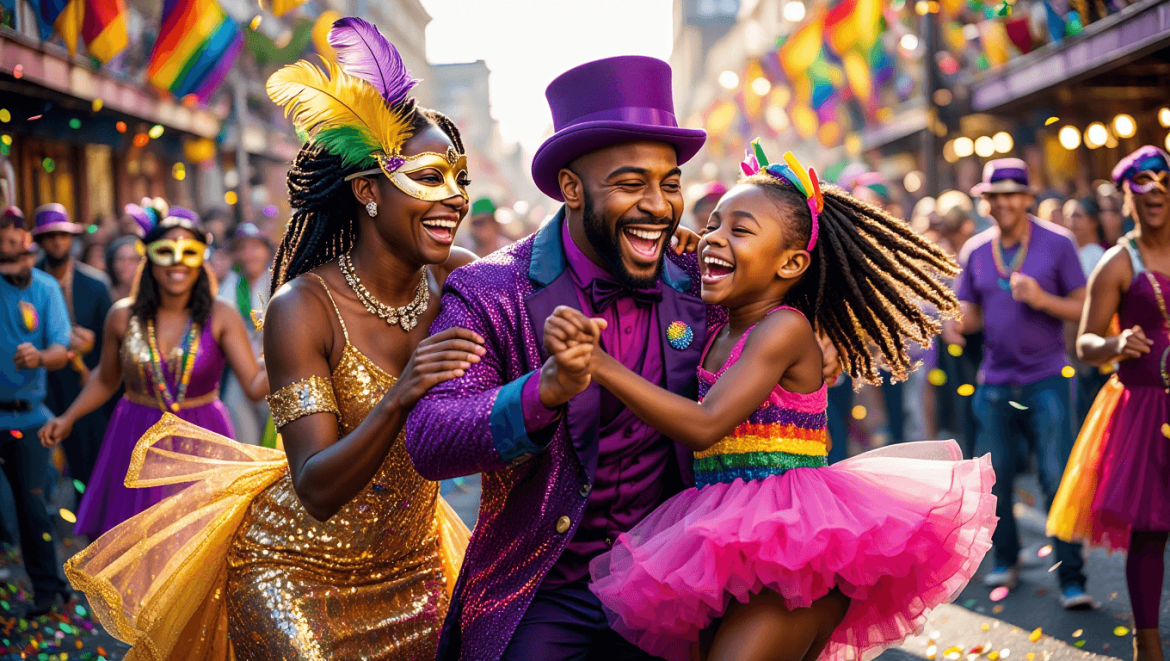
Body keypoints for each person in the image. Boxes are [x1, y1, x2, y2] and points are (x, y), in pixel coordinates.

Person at [62, 18, 476, 659]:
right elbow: (314, 485)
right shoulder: (301, 308)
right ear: (367, 191)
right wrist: (405, 392)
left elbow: (542, 282)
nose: (455, 197)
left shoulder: (459, 278)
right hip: (296, 574)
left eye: (460, 177)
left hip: (419, 566)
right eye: (428, 176)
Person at [406, 57, 839, 661]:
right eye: (632, 184)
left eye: (669, 184)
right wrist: (543, 390)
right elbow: (430, 436)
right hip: (545, 586)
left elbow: (778, 294)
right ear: (572, 188)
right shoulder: (491, 292)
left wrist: (822, 335)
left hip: (680, 581)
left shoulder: (700, 274)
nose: (660, 207)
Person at [549, 141, 994, 661]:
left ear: (792, 263)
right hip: (721, 539)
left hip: (796, 551)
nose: (715, 238)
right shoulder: (714, 323)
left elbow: (704, 423)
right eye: (713, 224)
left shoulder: (782, 328)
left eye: (740, 230)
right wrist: (694, 251)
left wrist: (601, 365)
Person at [38, 205, 268, 538]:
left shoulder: (221, 315)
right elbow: (105, 378)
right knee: (139, 544)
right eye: (166, 251)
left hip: (203, 437)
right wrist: (68, 418)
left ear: (201, 259)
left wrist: (293, 353)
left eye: (188, 251)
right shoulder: (122, 316)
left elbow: (254, 384)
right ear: (150, 258)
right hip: (136, 436)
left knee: (198, 543)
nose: (177, 262)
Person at [941, 158, 1092, 609]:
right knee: (996, 478)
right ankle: (1005, 559)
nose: (1003, 203)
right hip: (995, 381)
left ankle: (1072, 577)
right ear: (984, 202)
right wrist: (955, 323)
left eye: (1012, 193)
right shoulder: (974, 251)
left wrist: (1043, 299)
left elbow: (1085, 307)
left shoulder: (1058, 244)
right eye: (994, 195)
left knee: (1054, 475)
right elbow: (970, 313)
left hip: (1047, 379)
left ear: (1028, 198)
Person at [1048, 146, 1170, 661]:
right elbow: (1084, 344)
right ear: (1126, 198)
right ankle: (1148, 645)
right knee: (1150, 530)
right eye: (1143, 183)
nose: (1157, 190)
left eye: (1165, 180)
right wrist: (1117, 345)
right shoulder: (1118, 262)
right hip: (1144, 409)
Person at [0, 206, 73, 616]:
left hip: (30, 418)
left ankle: (49, 588)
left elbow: (62, 351)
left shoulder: (45, 289)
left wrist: (41, 357)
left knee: (31, 507)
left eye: (20, 253)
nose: (16, 263)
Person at [33, 204, 114, 486]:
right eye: (50, 235)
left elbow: (112, 345)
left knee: (88, 467)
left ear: (72, 238)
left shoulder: (96, 284)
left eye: (63, 235)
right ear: (40, 241)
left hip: (86, 387)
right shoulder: (28, 284)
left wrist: (92, 347)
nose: (57, 241)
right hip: (41, 388)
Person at [217, 222, 274, 446]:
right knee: (243, 438)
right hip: (241, 371)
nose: (250, 255)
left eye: (255, 247)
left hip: (274, 370)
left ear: (266, 251)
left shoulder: (278, 279)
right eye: (243, 248)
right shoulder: (231, 285)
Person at [1066, 198, 1107, 276]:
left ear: (1093, 221)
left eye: (1077, 216)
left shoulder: (1099, 256)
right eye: (1067, 216)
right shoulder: (1068, 253)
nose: (1071, 221)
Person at [104, 234, 143, 302]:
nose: (125, 264)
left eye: (132, 259)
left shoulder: (152, 297)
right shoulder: (103, 294)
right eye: (120, 259)